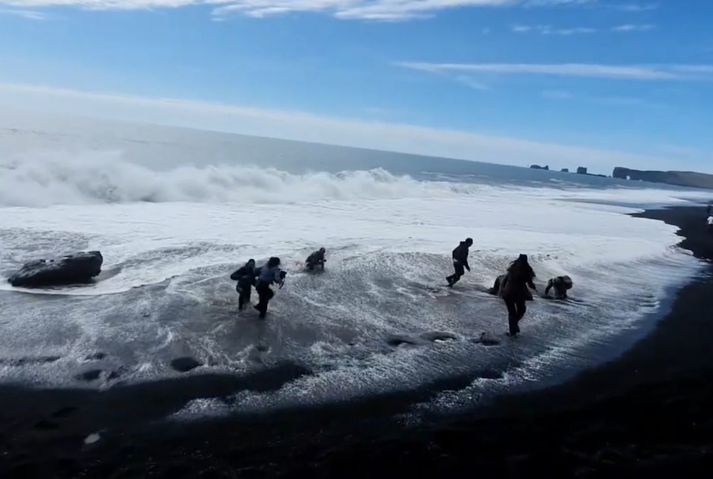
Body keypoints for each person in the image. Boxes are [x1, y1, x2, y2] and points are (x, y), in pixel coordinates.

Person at [500, 254, 537, 337]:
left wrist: (502, 290)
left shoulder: (512, 268)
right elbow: (530, 284)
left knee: (512, 312)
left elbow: (504, 281)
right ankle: (514, 326)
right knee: (521, 310)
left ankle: (512, 330)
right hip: (519, 293)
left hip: (508, 292)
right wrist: (534, 287)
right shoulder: (527, 270)